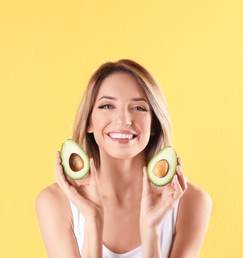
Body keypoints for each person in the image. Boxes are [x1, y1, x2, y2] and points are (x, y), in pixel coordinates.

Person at [35, 59, 212, 258]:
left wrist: (151, 230)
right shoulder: (55, 202)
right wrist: (93, 220)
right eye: (107, 106)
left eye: (139, 108)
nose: (124, 120)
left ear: (154, 124)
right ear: (88, 122)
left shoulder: (191, 201)